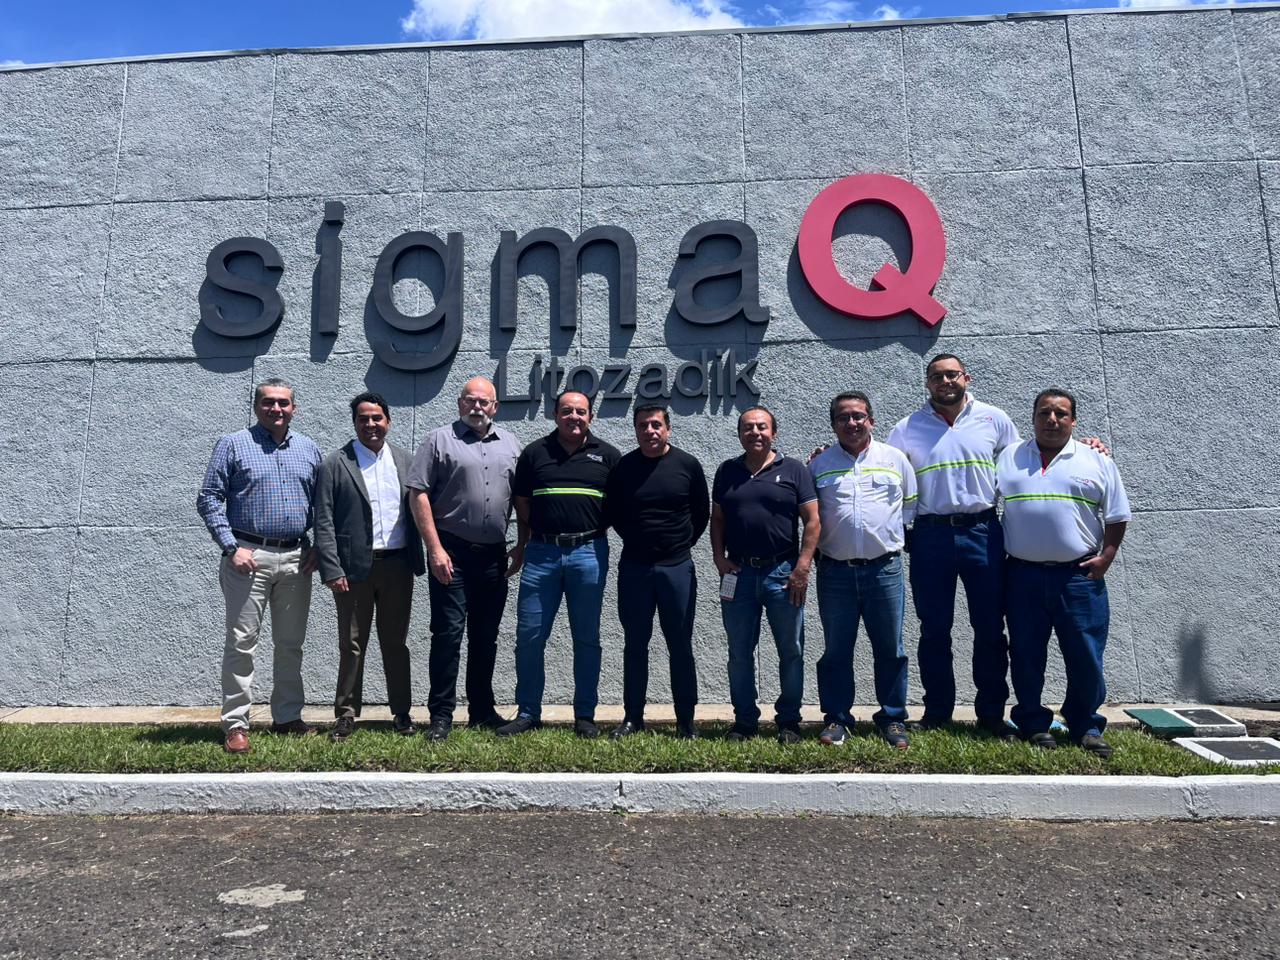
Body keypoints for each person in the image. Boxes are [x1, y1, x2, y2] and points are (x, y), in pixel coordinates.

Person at [885, 354, 1018, 737]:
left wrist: (1089, 447)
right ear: (927, 383)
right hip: (930, 536)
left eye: (952, 374)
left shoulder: (994, 418)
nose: (945, 381)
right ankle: (937, 711)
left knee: (990, 628)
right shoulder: (906, 428)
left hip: (983, 532)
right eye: (937, 376)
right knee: (934, 629)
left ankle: (991, 714)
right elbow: (885, 473)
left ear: (966, 378)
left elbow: (1025, 459)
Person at [997, 389, 1130, 757]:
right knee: (1025, 653)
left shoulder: (1096, 460)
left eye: (1060, 414)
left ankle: (1085, 724)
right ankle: (1032, 722)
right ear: (1033, 418)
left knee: (1085, 653)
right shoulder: (1009, 457)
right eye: (1044, 413)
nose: (1052, 420)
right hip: (1021, 576)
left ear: (1073, 420)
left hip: (1078, 578)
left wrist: (1107, 557)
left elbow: (1117, 515)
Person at [197, 378, 321, 754]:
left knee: (290, 643)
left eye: (284, 403)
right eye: (269, 402)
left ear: (294, 408)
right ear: (257, 406)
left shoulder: (308, 449)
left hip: (296, 558)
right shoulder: (233, 444)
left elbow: (321, 505)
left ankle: (287, 717)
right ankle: (235, 724)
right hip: (247, 557)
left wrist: (317, 547)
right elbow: (208, 498)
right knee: (241, 642)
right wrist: (231, 547)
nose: (276, 409)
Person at [498, 390, 621, 738]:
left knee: (587, 637)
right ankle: (527, 712)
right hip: (541, 554)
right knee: (530, 636)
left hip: (589, 552)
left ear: (591, 417)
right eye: (567, 411)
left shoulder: (609, 456)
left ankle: (585, 715)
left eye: (581, 412)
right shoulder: (535, 453)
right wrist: (523, 544)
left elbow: (618, 506)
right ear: (555, 415)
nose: (574, 417)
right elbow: (522, 503)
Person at [407, 376, 522, 741]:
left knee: (485, 637)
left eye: (483, 402)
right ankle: (441, 715)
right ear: (459, 404)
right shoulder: (439, 440)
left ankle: (481, 710)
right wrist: (435, 549)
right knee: (448, 634)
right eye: (470, 401)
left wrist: (523, 544)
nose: (477, 407)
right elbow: (418, 494)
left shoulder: (511, 444)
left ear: (494, 407)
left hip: (492, 556)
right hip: (451, 553)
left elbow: (522, 499)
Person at [314, 391, 425, 742]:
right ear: (355, 423)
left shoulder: (406, 462)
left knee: (396, 643)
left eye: (377, 418)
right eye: (363, 418)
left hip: (397, 565)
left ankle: (402, 712)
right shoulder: (336, 463)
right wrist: (332, 569)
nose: (371, 424)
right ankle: (346, 714)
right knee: (351, 643)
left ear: (388, 421)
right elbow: (324, 520)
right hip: (353, 571)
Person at [809, 392, 917, 750]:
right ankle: (838, 719)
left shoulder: (895, 459)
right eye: (843, 418)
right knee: (837, 650)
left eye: (858, 416)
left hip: (884, 570)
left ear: (871, 419)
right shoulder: (819, 464)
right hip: (835, 573)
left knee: (891, 648)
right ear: (833, 424)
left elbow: (909, 507)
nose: (852, 423)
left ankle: (892, 718)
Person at [711, 407, 820, 744]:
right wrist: (718, 558)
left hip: (783, 573)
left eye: (762, 426)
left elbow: (812, 521)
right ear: (739, 434)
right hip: (739, 573)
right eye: (747, 427)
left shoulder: (794, 470)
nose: (755, 432)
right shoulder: (727, 471)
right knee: (739, 652)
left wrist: (802, 566)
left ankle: (789, 722)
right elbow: (718, 519)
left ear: (774, 431)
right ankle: (744, 722)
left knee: (790, 649)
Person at [605, 404, 710, 740]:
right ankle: (633, 718)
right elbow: (615, 514)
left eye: (655, 425)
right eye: (642, 426)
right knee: (635, 644)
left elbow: (701, 513)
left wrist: (676, 545)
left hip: (676, 567)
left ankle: (686, 722)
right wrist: (641, 543)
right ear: (636, 430)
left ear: (668, 428)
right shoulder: (624, 467)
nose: (649, 431)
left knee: (680, 645)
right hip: (635, 568)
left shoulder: (687, 465)